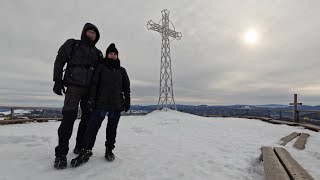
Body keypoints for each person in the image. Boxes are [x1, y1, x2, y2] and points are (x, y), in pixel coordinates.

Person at [70, 43, 131, 167]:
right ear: (107, 54)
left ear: (117, 56)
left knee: (112, 129)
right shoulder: (101, 67)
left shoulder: (121, 70)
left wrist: (127, 100)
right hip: (101, 103)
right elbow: (94, 84)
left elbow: (126, 87)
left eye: (115, 54)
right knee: (92, 127)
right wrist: (91, 99)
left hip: (116, 103)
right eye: (110, 53)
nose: (113, 56)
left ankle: (109, 150)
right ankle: (85, 150)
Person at [53, 23, 103, 169]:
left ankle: (80, 146)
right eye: (89, 31)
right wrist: (57, 80)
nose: (92, 34)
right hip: (73, 86)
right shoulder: (73, 44)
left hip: (90, 91)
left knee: (87, 119)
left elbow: (101, 74)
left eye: (94, 33)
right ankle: (61, 154)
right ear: (84, 32)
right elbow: (60, 60)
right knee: (68, 118)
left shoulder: (98, 53)